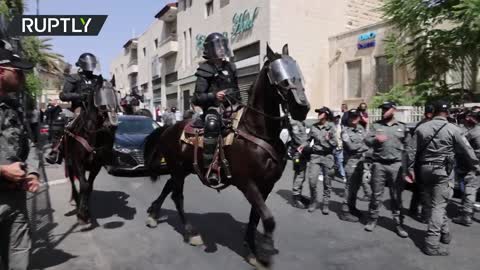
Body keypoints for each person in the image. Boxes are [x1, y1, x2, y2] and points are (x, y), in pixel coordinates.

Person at [407, 100, 480, 256]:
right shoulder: (453, 129)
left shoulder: (421, 128)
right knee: (439, 206)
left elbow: (411, 151)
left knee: (434, 204)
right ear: (446, 113)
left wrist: (410, 169)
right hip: (443, 171)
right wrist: (476, 166)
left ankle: (445, 233)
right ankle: (432, 244)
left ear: (434, 112)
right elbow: (467, 150)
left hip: (424, 170)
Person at [0, 41, 40, 270]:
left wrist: (33, 172)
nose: (24, 78)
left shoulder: (13, 107)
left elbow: (30, 145)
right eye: (18, 72)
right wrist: (3, 170)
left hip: (16, 200)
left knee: (19, 255)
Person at [191, 32, 241, 184]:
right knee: (212, 123)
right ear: (210, 50)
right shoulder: (204, 69)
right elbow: (197, 97)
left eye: (222, 46)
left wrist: (236, 100)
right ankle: (211, 167)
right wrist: (214, 96)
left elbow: (237, 90)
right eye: (217, 47)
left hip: (232, 106)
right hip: (213, 108)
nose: (221, 50)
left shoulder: (230, 67)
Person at [46, 53, 103, 164]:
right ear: (82, 65)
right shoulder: (73, 78)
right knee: (64, 122)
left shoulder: (97, 79)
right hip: (78, 108)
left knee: (109, 124)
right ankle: (56, 150)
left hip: (96, 109)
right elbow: (63, 95)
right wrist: (80, 96)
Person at [364, 101, 409, 238]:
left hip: (396, 165)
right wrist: (375, 139)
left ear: (394, 110)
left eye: (386, 109)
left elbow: (408, 148)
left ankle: (398, 222)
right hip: (379, 164)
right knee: (376, 194)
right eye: (382, 109)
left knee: (396, 196)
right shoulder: (376, 125)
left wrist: (407, 169)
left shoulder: (402, 127)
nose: (384, 111)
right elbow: (367, 141)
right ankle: (372, 219)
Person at [300, 107, 337, 214]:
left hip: (327, 156)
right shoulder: (314, 127)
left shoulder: (331, 127)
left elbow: (335, 143)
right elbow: (308, 140)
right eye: (318, 113)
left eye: (321, 112)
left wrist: (328, 139)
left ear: (326, 114)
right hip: (315, 156)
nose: (319, 114)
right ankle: (313, 201)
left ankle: (325, 204)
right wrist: (301, 146)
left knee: (327, 182)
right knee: (312, 180)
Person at [339, 109, 369, 222]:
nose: (355, 118)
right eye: (352, 116)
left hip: (360, 161)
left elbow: (369, 140)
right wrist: (364, 147)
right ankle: (344, 211)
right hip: (350, 162)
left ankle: (352, 207)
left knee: (356, 187)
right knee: (349, 186)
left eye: (357, 116)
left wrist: (367, 124)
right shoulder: (345, 131)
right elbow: (351, 147)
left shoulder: (361, 129)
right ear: (349, 118)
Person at [452, 107, 480, 227]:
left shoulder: (473, 133)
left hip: (474, 165)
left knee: (470, 189)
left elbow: (461, 145)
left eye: (469, 116)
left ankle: (466, 215)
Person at [408, 104, 434, 221]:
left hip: (420, 161)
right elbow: (413, 147)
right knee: (425, 190)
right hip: (422, 160)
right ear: (429, 114)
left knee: (419, 188)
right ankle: (426, 215)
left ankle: (413, 209)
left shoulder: (422, 125)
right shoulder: (425, 126)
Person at [289, 117, 309, 209]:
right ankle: (296, 197)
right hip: (298, 153)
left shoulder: (301, 122)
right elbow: (299, 139)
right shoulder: (295, 123)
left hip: (302, 152)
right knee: (299, 174)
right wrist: (307, 143)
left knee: (302, 174)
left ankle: (299, 195)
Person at [333, 112, 346, 183]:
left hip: (339, 148)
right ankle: (323, 174)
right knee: (329, 162)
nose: (336, 119)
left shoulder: (341, 127)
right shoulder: (330, 126)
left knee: (340, 162)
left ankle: (343, 176)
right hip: (332, 147)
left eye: (338, 117)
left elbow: (344, 137)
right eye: (335, 117)